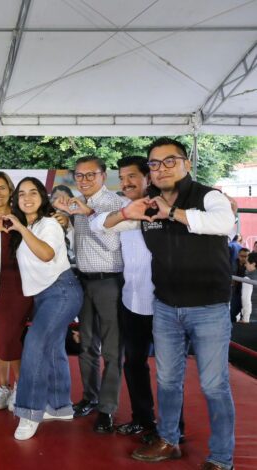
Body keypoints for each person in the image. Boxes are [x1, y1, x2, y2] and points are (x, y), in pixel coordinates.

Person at [114, 138, 235, 470]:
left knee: (214, 385)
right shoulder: (147, 205)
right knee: (167, 380)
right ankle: (168, 440)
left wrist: (173, 213)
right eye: (155, 163)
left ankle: (221, 457)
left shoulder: (209, 196)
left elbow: (224, 223)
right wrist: (123, 212)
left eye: (170, 161)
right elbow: (104, 226)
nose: (162, 168)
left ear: (187, 164)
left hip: (209, 307)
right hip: (166, 307)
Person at [5, 177, 83, 440]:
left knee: (35, 345)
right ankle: (60, 407)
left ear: (42, 196)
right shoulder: (30, 225)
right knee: (53, 348)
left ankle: (29, 411)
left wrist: (20, 227)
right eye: (21, 193)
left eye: (33, 193)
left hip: (61, 291)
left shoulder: (48, 224)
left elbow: (47, 254)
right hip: (44, 295)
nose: (27, 198)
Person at [53, 156, 124, 433]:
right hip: (83, 280)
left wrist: (88, 213)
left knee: (112, 350)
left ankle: (107, 408)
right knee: (86, 346)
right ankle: (89, 398)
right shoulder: (78, 203)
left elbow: (112, 243)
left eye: (90, 175)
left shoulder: (115, 204)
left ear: (103, 175)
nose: (84, 180)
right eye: (79, 176)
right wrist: (67, 221)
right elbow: (79, 243)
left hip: (110, 282)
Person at [90, 156, 158, 437]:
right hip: (132, 301)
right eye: (122, 177)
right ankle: (143, 419)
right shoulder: (123, 209)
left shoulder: (163, 206)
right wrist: (127, 213)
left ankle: (171, 430)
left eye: (132, 176)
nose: (126, 182)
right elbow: (97, 224)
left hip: (165, 303)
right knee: (134, 364)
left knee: (169, 372)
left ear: (148, 178)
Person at [0, 171, 33, 412]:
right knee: (0, 338)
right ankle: (3, 387)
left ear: (10, 190)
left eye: (2, 187)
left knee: (12, 338)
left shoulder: (24, 215)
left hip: (23, 287)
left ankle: (21, 386)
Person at [239, 252, 257, 323]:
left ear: (253, 264)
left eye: (247, 263)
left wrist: (245, 319)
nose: (245, 265)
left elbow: (246, 300)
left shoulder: (247, 279)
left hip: (252, 317)